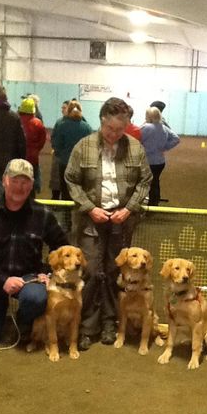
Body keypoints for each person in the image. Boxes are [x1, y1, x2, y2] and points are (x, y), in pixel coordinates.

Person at [64, 97, 152, 350]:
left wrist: (129, 209)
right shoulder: (83, 147)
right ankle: (86, 327)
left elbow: (145, 181)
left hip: (121, 221)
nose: (114, 135)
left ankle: (110, 323)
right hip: (91, 220)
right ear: (101, 121)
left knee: (117, 272)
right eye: (109, 129)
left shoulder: (135, 148)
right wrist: (90, 208)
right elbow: (71, 180)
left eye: (119, 130)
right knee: (90, 272)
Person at [0, 158, 69, 348]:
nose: (19, 187)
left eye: (25, 182)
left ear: (32, 185)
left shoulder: (43, 214)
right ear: (4, 180)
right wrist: (3, 280)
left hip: (29, 279)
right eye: (14, 181)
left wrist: (48, 273)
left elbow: (63, 248)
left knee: (35, 298)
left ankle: (23, 321)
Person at [51, 100, 92, 200]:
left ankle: (66, 213)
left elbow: (56, 144)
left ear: (68, 111)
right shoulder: (87, 127)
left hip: (65, 163)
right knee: (79, 191)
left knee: (65, 191)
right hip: (81, 164)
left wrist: (60, 154)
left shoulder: (61, 125)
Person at [141, 106, 180, 206]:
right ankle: (154, 202)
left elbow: (136, 138)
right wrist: (165, 147)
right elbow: (176, 139)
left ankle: (149, 203)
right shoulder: (163, 127)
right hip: (160, 161)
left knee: (145, 183)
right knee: (155, 181)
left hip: (148, 161)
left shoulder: (145, 128)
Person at [18, 97, 46, 195]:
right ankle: (33, 192)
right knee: (32, 176)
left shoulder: (16, 120)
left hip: (18, 156)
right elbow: (42, 140)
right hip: (33, 157)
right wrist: (36, 149)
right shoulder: (37, 123)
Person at [49, 100, 69, 200]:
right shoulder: (59, 122)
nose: (62, 110)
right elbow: (53, 137)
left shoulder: (61, 123)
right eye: (62, 108)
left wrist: (57, 149)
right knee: (56, 186)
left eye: (64, 108)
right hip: (59, 157)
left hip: (61, 158)